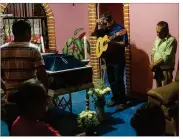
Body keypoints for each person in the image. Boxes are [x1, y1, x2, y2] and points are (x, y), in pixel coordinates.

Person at [0, 19, 48, 102]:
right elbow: (42, 75)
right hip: (30, 95)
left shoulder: (2, 50)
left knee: (13, 114)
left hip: (11, 96)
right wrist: (44, 94)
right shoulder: (33, 49)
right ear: (27, 32)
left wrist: (6, 88)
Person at [91, 12, 128, 111]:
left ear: (111, 20)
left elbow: (124, 43)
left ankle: (122, 102)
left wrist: (112, 42)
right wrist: (96, 23)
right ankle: (115, 98)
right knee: (111, 80)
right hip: (108, 58)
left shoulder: (120, 29)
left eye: (107, 23)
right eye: (104, 23)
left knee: (118, 80)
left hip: (118, 59)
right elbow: (93, 34)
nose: (105, 25)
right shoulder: (105, 29)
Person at [150, 21, 177, 87]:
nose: (157, 34)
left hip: (165, 71)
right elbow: (153, 51)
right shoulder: (157, 38)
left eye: (159, 32)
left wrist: (154, 65)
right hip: (157, 69)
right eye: (157, 32)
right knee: (158, 91)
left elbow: (166, 57)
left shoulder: (171, 40)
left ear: (166, 31)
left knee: (165, 93)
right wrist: (153, 64)